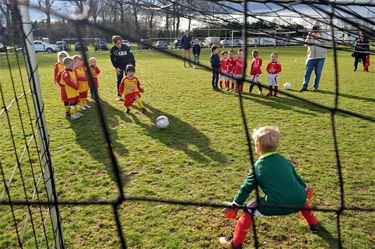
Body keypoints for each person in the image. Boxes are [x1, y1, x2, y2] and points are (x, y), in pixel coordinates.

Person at [219, 126, 318, 249]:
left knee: (249, 209)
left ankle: (235, 243)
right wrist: (306, 188)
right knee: (298, 197)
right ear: (277, 145)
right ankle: (314, 225)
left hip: (277, 203)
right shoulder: (284, 160)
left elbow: (246, 187)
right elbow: (296, 178)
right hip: (300, 199)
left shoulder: (258, 167)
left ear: (257, 146)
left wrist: (235, 205)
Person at [300, 21, 327, 92]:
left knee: (318, 73)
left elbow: (326, 42)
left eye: (317, 27)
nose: (316, 28)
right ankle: (304, 86)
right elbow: (305, 43)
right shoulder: (310, 34)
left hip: (321, 57)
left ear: (320, 27)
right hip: (311, 57)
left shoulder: (324, 34)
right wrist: (310, 34)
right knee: (307, 73)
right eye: (314, 26)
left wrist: (321, 33)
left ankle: (315, 87)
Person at [110, 35, 136, 100]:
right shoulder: (112, 49)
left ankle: (130, 94)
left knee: (129, 80)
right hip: (119, 67)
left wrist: (133, 67)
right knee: (119, 80)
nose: (118, 44)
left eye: (120, 43)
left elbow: (132, 57)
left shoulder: (126, 47)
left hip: (127, 66)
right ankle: (119, 94)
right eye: (116, 43)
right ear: (114, 43)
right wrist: (116, 67)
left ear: (121, 41)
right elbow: (112, 59)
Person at [54, 51, 70, 116]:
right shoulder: (57, 65)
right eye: (61, 56)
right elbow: (55, 74)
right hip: (62, 84)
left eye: (64, 56)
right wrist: (55, 80)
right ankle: (67, 111)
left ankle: (73, 108)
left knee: (71, 96)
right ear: (59, 58)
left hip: (70, 83)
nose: (63, 58)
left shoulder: (69, 64)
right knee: (65, 97)